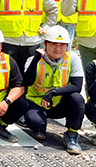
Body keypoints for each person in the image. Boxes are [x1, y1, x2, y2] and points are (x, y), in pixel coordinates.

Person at [22, 25, 84, 154]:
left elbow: (77, 86)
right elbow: (27, 81)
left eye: (62, 45)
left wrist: (53, 93)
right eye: (54, 44)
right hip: (38, 102)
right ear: (45, 44)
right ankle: (40, 126)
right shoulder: (33, 59)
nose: (58, 48)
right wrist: (35, 60)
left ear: (67, 46)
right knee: (35, 123)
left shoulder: (72, 59)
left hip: (60, 103)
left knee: (78, 99)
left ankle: (72, 135)